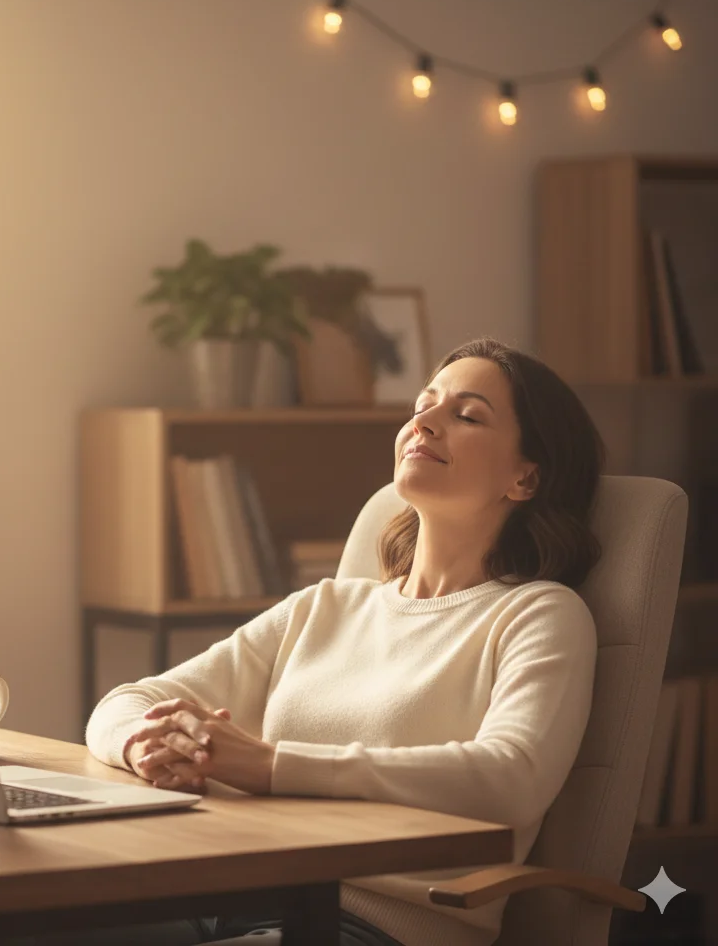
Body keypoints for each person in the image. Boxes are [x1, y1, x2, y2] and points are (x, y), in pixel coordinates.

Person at [45, 337, 606, 946]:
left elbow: (510, 778)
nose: (424, 422)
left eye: (466, 416)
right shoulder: (328, 606)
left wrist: (270, 765)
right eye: (423, 405)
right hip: (221, 893)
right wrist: (144, 746)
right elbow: (125, 701)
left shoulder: (540, 614)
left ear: (525, 476)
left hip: (368, 926)